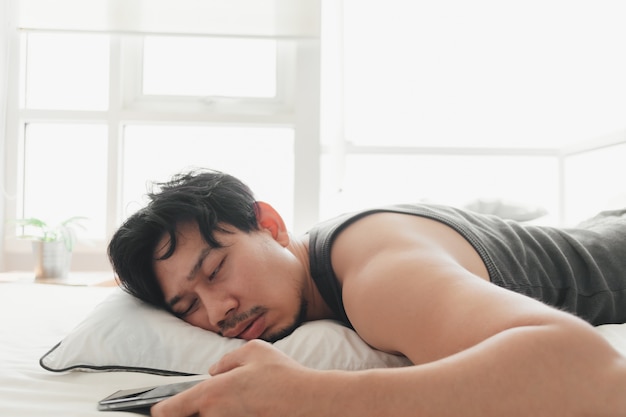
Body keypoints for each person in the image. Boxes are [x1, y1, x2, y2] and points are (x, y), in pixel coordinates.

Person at [108, 168, 626, 417]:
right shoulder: (321, 264)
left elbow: (589, 373)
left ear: (270, 224)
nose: (219, 310)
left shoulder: (379, 276)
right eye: (188, 305)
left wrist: (303, 396)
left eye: (217, 269)